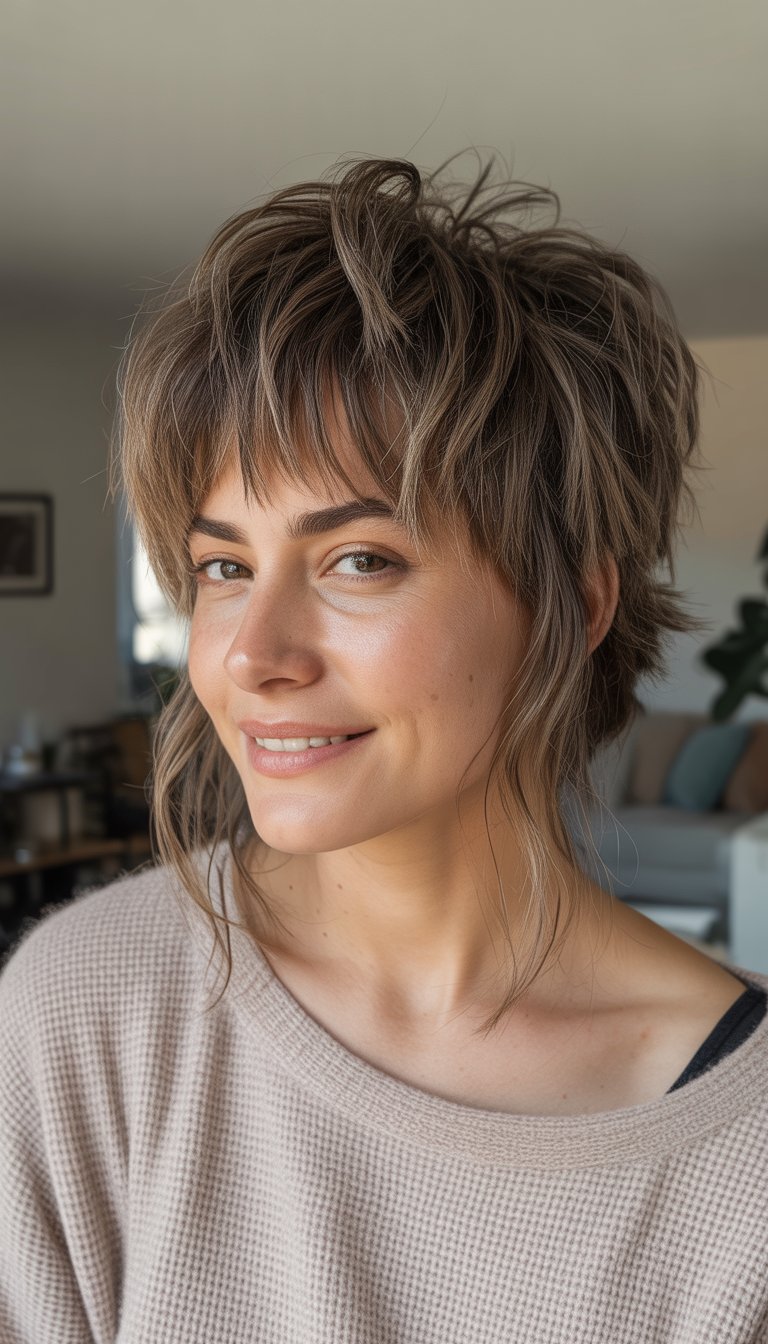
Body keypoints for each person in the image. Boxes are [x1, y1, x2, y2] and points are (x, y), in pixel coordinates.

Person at [1, 151, 767, 1343]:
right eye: (223, 567)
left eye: (359, 560)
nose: (252, 655)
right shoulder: (88, 1011)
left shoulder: (744, 1156)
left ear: (573, 600)